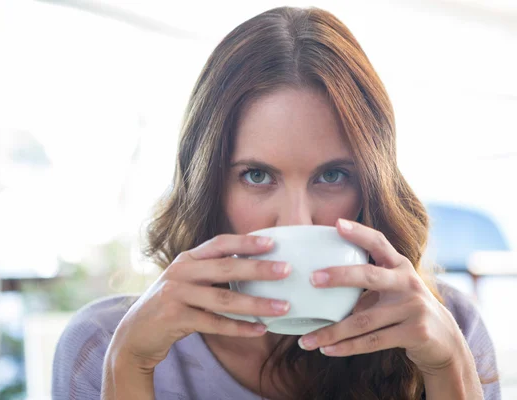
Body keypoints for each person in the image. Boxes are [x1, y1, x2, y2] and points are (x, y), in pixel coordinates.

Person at [52, 6, 500, 399]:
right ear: (208, 186)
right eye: (257, 176)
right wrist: (129, 367)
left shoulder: (445, 327)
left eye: (332, 176)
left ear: (371, 187)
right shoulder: (109, 343)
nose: (296, 220)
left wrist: (448, 370)